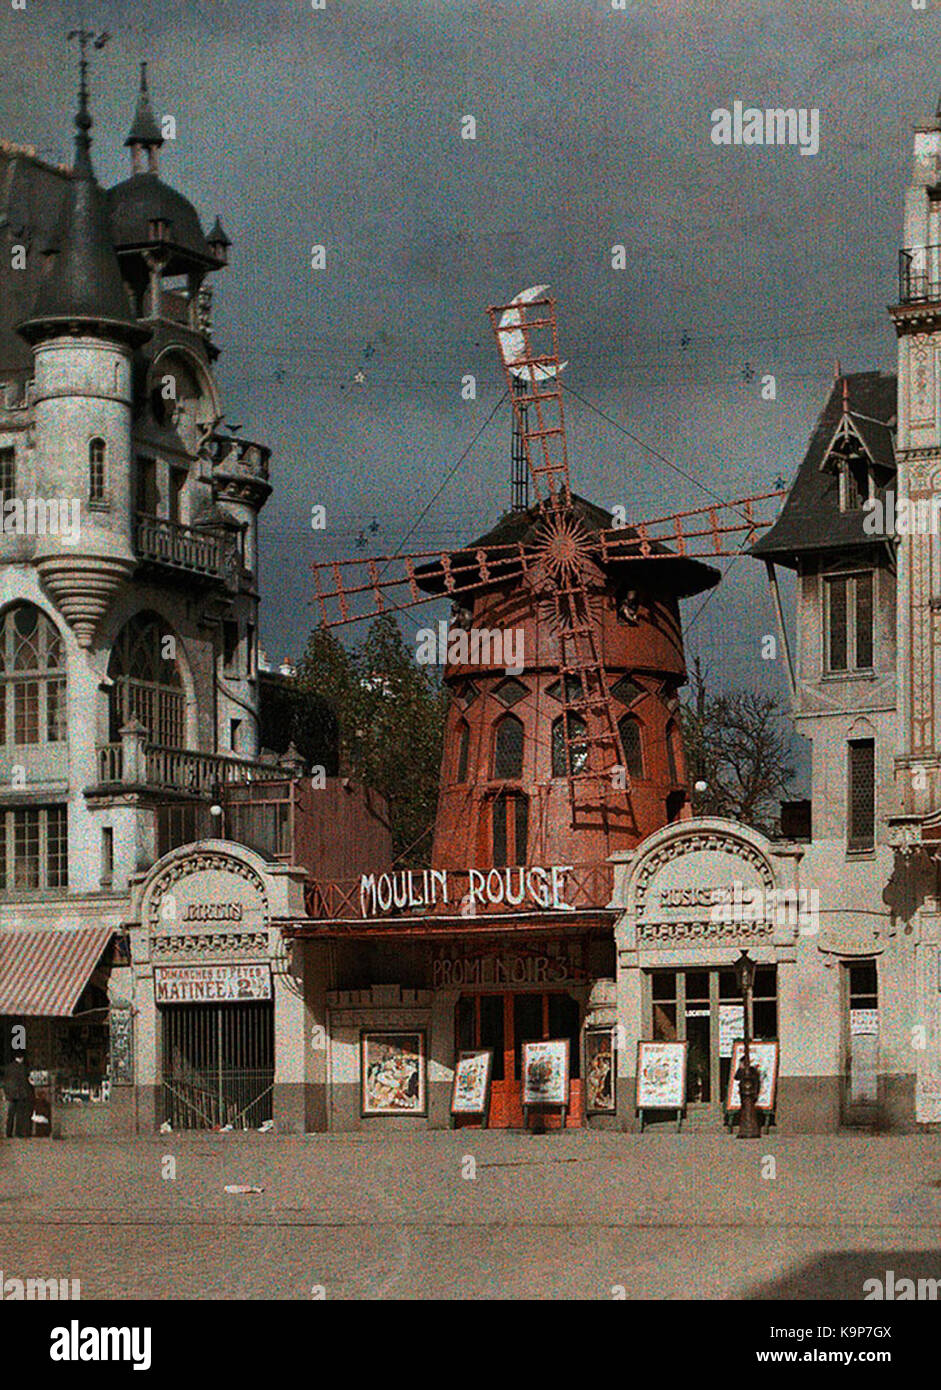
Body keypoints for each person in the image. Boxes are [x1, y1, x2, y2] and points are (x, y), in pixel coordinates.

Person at [3, 1052, 32, 1138]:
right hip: (20, 1094)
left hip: (11, 1094)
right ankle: (18, 1133)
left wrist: (6, 1093)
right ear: (22, 1058)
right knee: (20, 1114)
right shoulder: (22, 1068)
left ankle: (8, 1132)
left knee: (11, 1115)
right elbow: (24, 1082)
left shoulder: (8, 1067)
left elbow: (6, 1081)